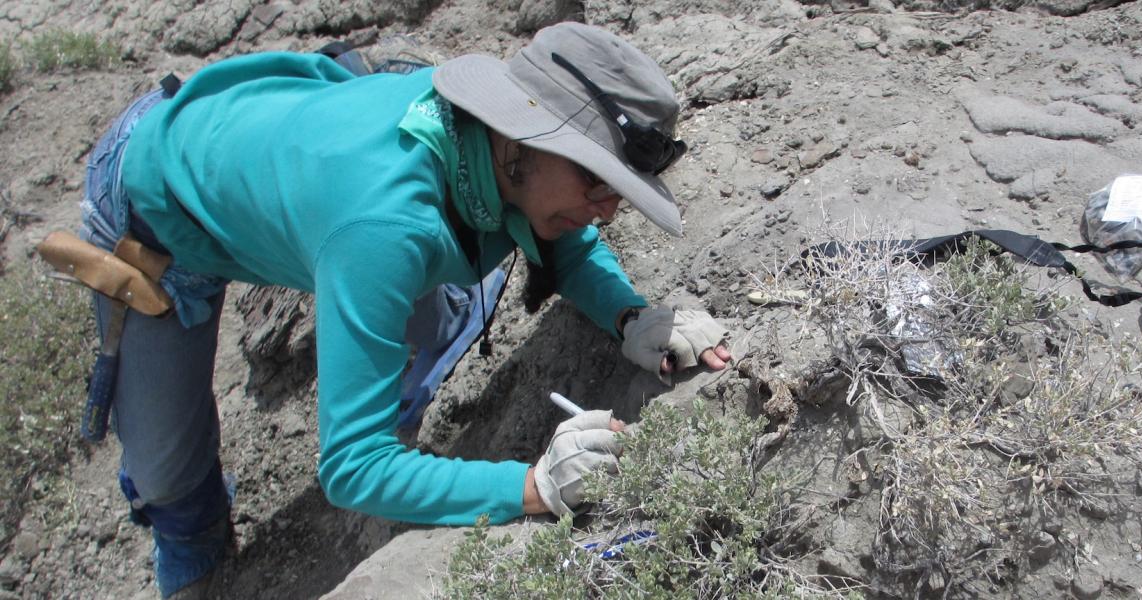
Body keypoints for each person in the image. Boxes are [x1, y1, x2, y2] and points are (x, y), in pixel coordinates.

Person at [74, 22, 732, 598]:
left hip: (290, 140)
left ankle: (391, 414)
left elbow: (562, 238)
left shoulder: (499, 150)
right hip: (156, 210)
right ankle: (199, 561)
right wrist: (535, 487)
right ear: (521, 138)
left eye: (616, 187)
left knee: (436, 303)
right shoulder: (384, 228)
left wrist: (631, 316)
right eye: (596, 179)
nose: (607, 209)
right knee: (168, 475)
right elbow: (350, 469)